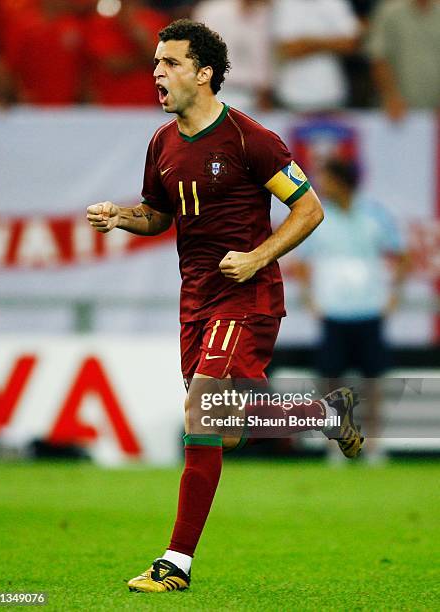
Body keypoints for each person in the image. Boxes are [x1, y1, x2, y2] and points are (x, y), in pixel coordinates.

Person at [86, 19, 363, 593]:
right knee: (225, 432)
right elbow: (158, 215)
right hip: (197, 299)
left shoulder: (249, 138)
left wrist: (259, 257)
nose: (157, 72)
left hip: (247, 295)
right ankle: (324, 414)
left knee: (202, 412)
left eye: (170, 63)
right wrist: (121, 216)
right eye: (156, 63)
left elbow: (309, 209)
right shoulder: (161, 143)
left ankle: (174, 564)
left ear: (204, 73)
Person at [296, 158, 408, 462]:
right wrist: (309, 298)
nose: (322, 186)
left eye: (327, 179)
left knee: (373, 383)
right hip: (333, 311)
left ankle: (374, 444)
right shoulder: (317, 216)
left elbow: (401, 253)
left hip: (369, 310)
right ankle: (337, 443)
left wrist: (395, 294)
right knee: (332, 382)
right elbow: (301, 260)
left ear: (342, 181)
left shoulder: (375, 214)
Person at [272, 0, 360, 112]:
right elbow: (289, 50)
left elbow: (351, 44)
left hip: (332, 93)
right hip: (292, 95)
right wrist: (332, 41)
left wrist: (306, 42)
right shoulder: (284, 4)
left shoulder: (336, 3)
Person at [192, 0, 273, 112]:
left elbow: (264, 57)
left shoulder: (268, 14)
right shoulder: (213, 11)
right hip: (215, 92)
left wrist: (264, 91)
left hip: (253, 96)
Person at [368, 0, 440, 121]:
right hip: (398, 110)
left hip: (435, 109)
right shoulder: (389, 11)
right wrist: (391, 97)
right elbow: (378, 57)